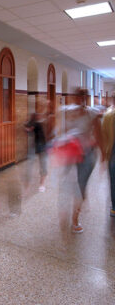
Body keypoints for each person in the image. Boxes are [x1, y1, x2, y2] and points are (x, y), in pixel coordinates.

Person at [56, 88, 102, 234]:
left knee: (81, 184)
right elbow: (59, 130)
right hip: (70, 152)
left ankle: (75, 217)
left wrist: (104, 156)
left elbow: (99, 134)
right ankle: (66, 209)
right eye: (76, 96)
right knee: (65, 183)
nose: (79, 99)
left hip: (86, 154)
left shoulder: (92, 114)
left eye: (82, 97)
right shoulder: (66, 112)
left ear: (86, 98)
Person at [24, 112, 48, 192]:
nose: (39, 116)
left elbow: (29, 129)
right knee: (41, 164)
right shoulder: (37, 123)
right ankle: (41, 184)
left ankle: (41, 184)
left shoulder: (37, 123)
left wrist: (25, 127)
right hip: (39, 145)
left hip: (40, 146)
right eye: (38, 115)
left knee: (41, 164)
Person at [101, 105, 115, 218]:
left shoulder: (108, 116)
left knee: (114, 181)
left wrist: (104, 153)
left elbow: (104, 135)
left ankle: (114, 208)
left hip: (112, 151)